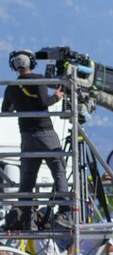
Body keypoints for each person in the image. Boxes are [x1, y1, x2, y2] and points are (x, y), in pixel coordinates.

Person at [1, 49, 69, 230]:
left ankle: (25, 219)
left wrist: (21, 104)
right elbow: (43, 103)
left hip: (26, 136)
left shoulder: (10, 87)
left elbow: (6, 110)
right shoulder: (39, 79)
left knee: (27, 179)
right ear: (31, 63)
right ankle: (65, 210)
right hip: (45, 133)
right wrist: (57, 97)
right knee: (59, 170)